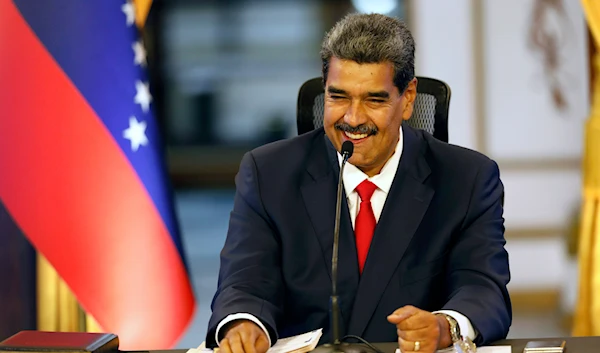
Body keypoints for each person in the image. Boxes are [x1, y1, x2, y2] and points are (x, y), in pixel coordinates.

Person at [206, 13, 511, 353]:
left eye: (374, 100)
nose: (353, 119)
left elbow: (484, 288)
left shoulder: (467, 179)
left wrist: (444, 326)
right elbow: (245, 282)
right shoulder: (267, 173)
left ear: (408, 98)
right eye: (338, 97)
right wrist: (245, 323)